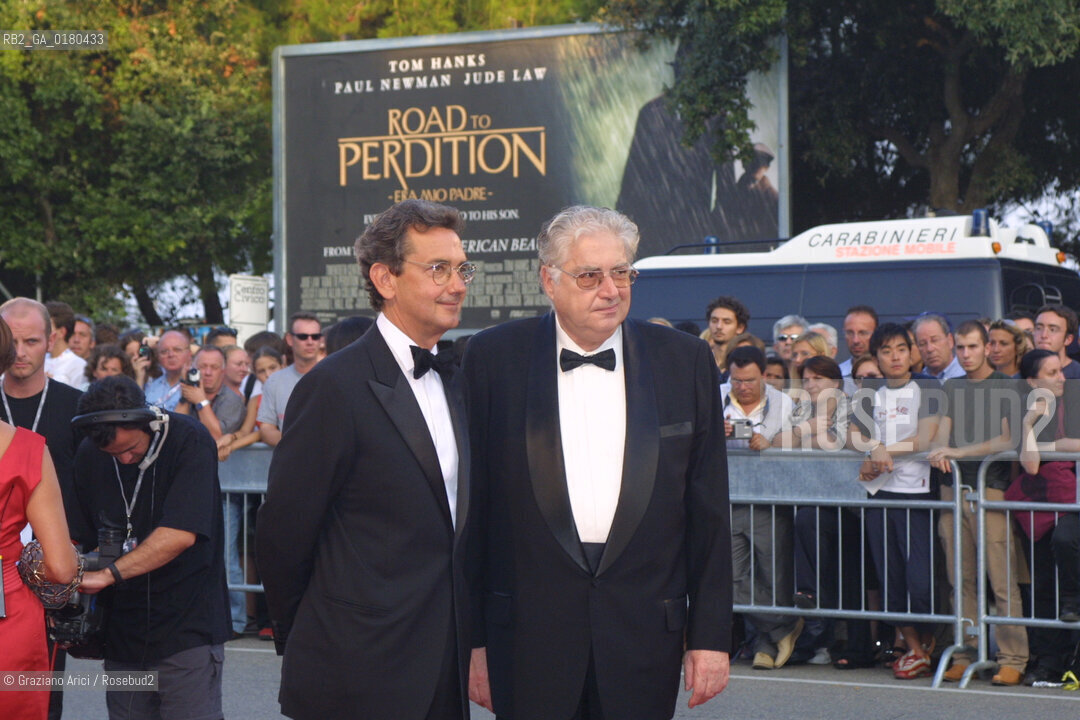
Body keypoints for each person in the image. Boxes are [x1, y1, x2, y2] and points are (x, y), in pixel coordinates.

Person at [464, 205, 731, 719]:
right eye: (590, 275)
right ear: (549, 279)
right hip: (524, 639)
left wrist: (711, 638)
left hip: (645, 637)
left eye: (622, 272)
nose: (611, 290)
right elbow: (474, 512)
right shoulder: (493, 358)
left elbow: (709, 511)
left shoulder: (684, 360)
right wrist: (473, 642)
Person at [258, 199, 474, 720]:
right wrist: (307, 636)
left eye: (462, 268)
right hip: (354, 668)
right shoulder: (334, 388)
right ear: (385, 278)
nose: (459, 284)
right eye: (439, 268)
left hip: (446, 663)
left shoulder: (464, 375)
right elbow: (284, 533)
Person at [69, 376, 230, 720]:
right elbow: (81, 532)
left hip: (186, 628)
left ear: (150, 423)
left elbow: (180, 534)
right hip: (123, 631)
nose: (125, 459)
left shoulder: (189, 439)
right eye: (113, 454)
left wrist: (108, 575)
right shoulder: (89, 454)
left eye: (132, 449)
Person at [927, 320, 1027, 685]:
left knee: (1001, 578)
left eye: (973, 347)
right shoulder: (951, 386)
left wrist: (957, 451)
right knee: (961, 578)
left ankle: (1012, 656)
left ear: (987, 347)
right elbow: (941, 431)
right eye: (961, 349)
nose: (966, 355)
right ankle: (967, 649)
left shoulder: (1005, 385)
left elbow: (1007, 440)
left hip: (992, 489)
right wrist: (939, 451)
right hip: (953, 490)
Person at [0, 298, 85, 719]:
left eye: (31, 340)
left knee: (44, 697)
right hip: (15, 586)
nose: (20, 351)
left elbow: (91, 489)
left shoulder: (77, 407)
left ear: (50, 341)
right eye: (10, 341)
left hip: (46, 573)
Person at [850, 323, 941, 679]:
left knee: (921, 579)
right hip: (880, 493)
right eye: (886, 351)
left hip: (919, 493)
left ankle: (931, 641)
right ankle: (915, 650)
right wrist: (872, 447)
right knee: (891, 579)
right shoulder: (869, 391)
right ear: (876, 357)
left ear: (912, 352)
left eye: (901, 349)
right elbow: (852, 432)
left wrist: (883, 450)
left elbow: (925, 438)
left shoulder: (929, 386)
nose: (895, 357)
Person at [721, 345, 801, 670]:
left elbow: (799, 439)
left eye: (750, 380)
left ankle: (765, 647)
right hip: (727, 497)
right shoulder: (714, 395)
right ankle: (784, 626)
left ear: (764, 375)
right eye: (737, 380)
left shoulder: (783, 402)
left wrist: (772, 442)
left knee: (774, 575)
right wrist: (715, 431)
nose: (743, 387)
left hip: (771, 499)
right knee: (730, 575)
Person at [1014, 349, 1079, 686]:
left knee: (1067, 569)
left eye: (1060, 371)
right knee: (1042, 589)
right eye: (1052, 372)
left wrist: (1054, 444)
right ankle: (1048, 662)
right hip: (1037, 509)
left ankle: (1069, 660)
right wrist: (1028, 424)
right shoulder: (1025, 410)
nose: (1061, 378)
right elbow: (1030, 464)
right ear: (1031, 381)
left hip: (1070, 504)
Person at [255, 313, 323, 447]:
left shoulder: (335, 377)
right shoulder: (274, 381)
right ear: (290, 339)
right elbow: (266, 428)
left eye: (315, 337)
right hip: (290, 462)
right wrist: (298, 444)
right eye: (303, 337)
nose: (310, 341)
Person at [143, 328, 193, 411]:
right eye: (164, 351)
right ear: (158, 356)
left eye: (177, 350)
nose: (171, 355)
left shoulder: (199, 383)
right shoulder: (151, 387)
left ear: (189, 353)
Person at [43, 301, 87, 389]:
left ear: (62, 332)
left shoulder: (78, 365)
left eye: (47, 326)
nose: (41, 330)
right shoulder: (39, 359)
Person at [912, 312, 963, 380]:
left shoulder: (967, 375)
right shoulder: (917, 380)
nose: (929, 349)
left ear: (950, 340)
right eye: (922, 344)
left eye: (935, 340)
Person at [1034, 304, 1080, 379]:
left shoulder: (1077, 375)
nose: (1044, 335)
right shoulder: (1023, 371)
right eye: (1039, 328)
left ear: (1068, 339)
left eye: (1053, 330)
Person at [705, 296, 750, 369]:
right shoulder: (701, 358)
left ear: (740, 328)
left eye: (727, 322)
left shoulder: (747, 360)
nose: (719, 326)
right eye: (714, 321)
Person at [839, 306, 879, 378]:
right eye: (850, 333)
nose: (855, 340)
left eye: (863, 333)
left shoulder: (891, 374)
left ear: (877, 333)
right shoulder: (837, 374)